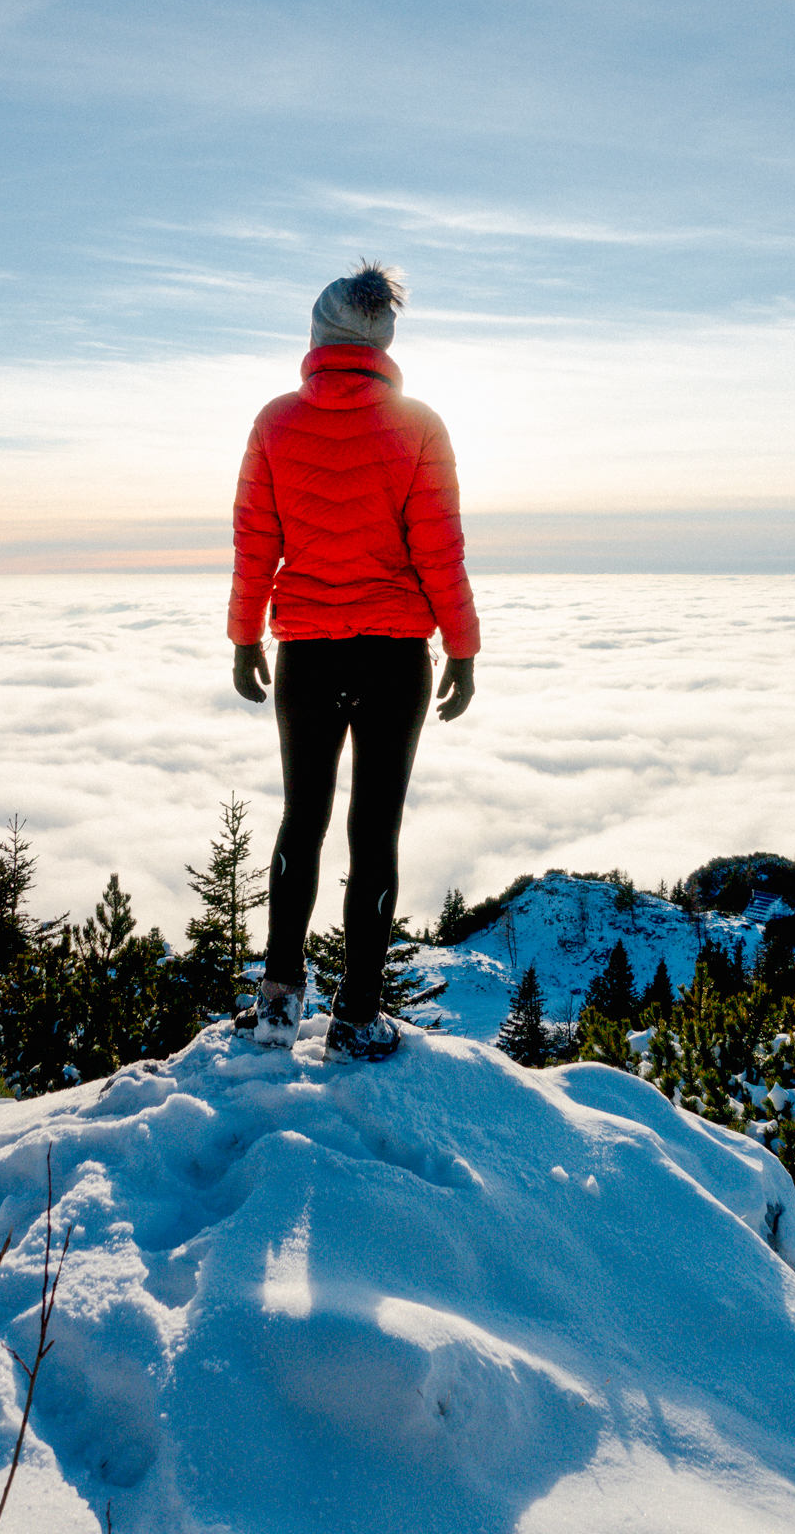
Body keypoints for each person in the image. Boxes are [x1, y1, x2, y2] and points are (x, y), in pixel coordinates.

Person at [227, 262, 480, 1062]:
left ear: (316, 336)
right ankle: (356, 1018)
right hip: (394, 654)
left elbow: (253, 543)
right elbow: (440, 551)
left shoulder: (275, 422)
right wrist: (463, 650)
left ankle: (275, 1005)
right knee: (375, 833)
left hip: (303, 648)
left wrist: (244, 637)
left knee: (302, 821)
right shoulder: (418, 425)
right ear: (384, 339)